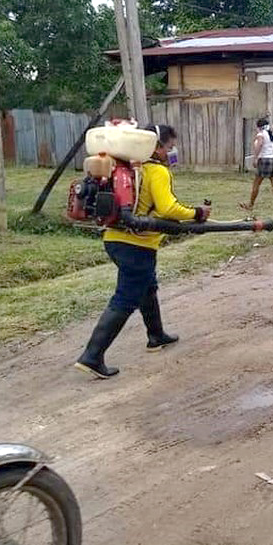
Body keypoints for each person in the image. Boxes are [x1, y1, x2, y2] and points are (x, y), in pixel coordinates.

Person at [75, 124, 211, 379]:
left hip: (115, 240)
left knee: (147, 286)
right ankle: (92, 356)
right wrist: (196, 213)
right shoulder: (156, 171)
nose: (172, 152)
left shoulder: (130, 169)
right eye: (169, 147)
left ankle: (156, 336)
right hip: (136, 245)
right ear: (156, 147)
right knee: (125, 298)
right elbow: (168, 208)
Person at [241, 116, 273, 213]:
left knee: (256, 184)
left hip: (264, 161)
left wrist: (255, 158)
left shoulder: (261, 135)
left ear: (259, 126)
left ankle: (250, 204)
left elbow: (259, 145)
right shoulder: (272, 135)